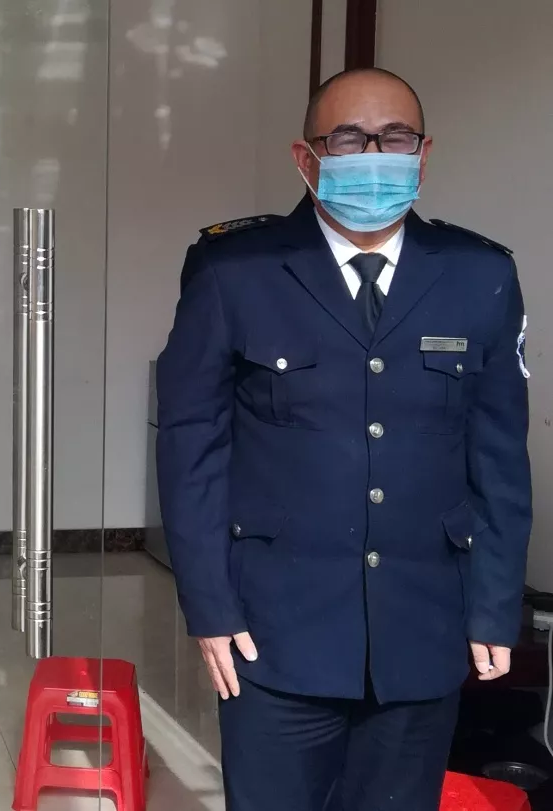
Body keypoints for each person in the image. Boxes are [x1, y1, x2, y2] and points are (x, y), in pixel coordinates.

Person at [156, 67, 532, 811]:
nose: (375, 155)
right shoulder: (235, 271)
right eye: (351, 139)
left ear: (423, 154)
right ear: (307, 157)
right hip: (273, 633)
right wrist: (210, 606)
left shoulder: (480, 274)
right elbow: (190, 445)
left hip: (422, 626)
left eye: (395, 138)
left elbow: (499, 457)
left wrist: (494, 605)